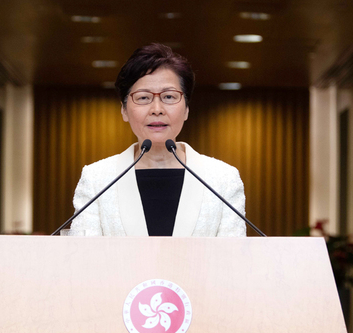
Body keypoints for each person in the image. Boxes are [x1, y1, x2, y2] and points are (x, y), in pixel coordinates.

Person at [70, 43, 246, 237]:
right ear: (124, 110)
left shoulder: (222, 180)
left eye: (169, 96)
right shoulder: (97, 180)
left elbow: (232, 261)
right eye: (144, 98)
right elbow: (83, 259)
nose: (157, 109)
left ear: (187, 109)